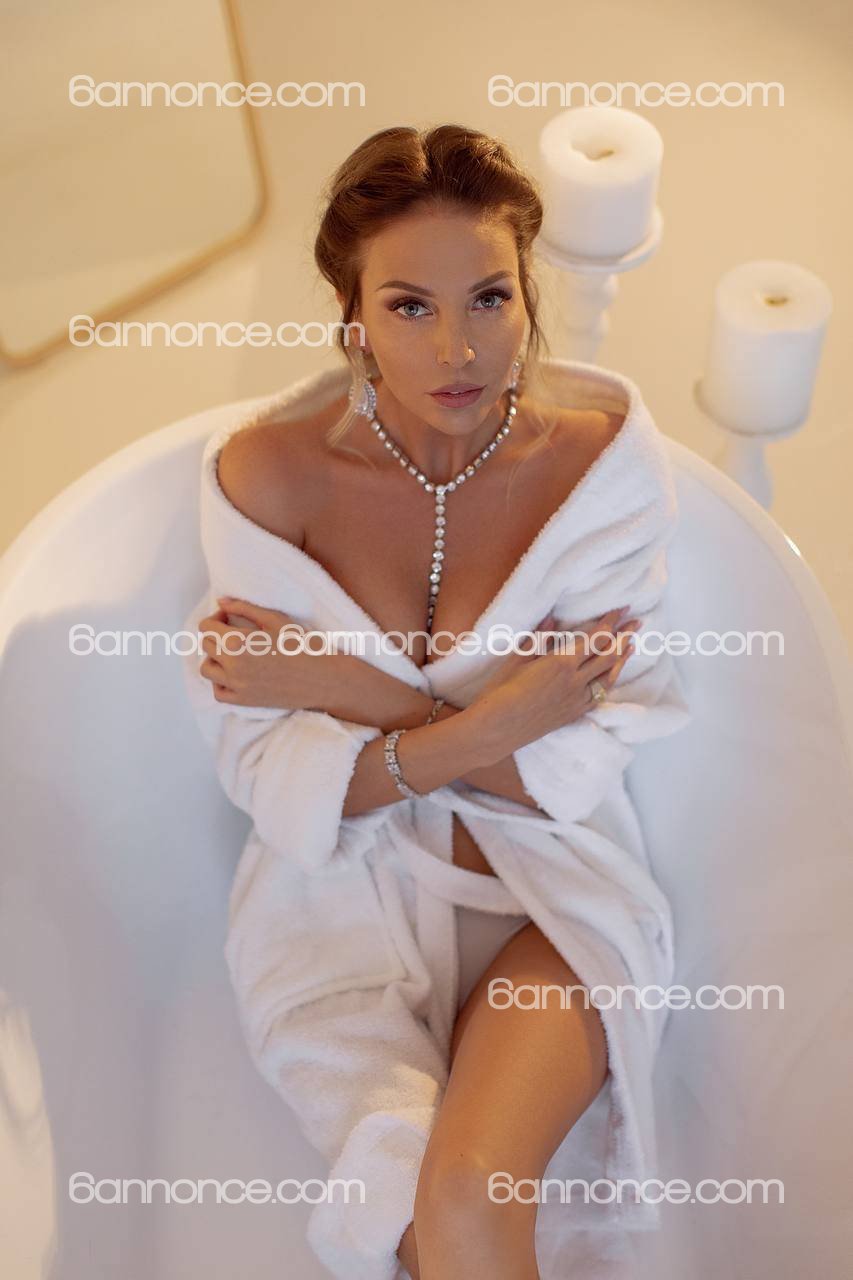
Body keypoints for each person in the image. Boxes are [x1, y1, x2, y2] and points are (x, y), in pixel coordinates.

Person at [185, 123, 690, 1280]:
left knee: (467, 1195)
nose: (458, 348)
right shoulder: (270, 478)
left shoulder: (598, 473)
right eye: (409, 306)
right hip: (337, 907)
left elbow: (578, 768)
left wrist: (350, 692)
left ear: (528, 294)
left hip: (548, 894)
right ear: (351, 315)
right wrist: (498, 721)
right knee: (425, 1231)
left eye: (490, 299)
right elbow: (263, 767)